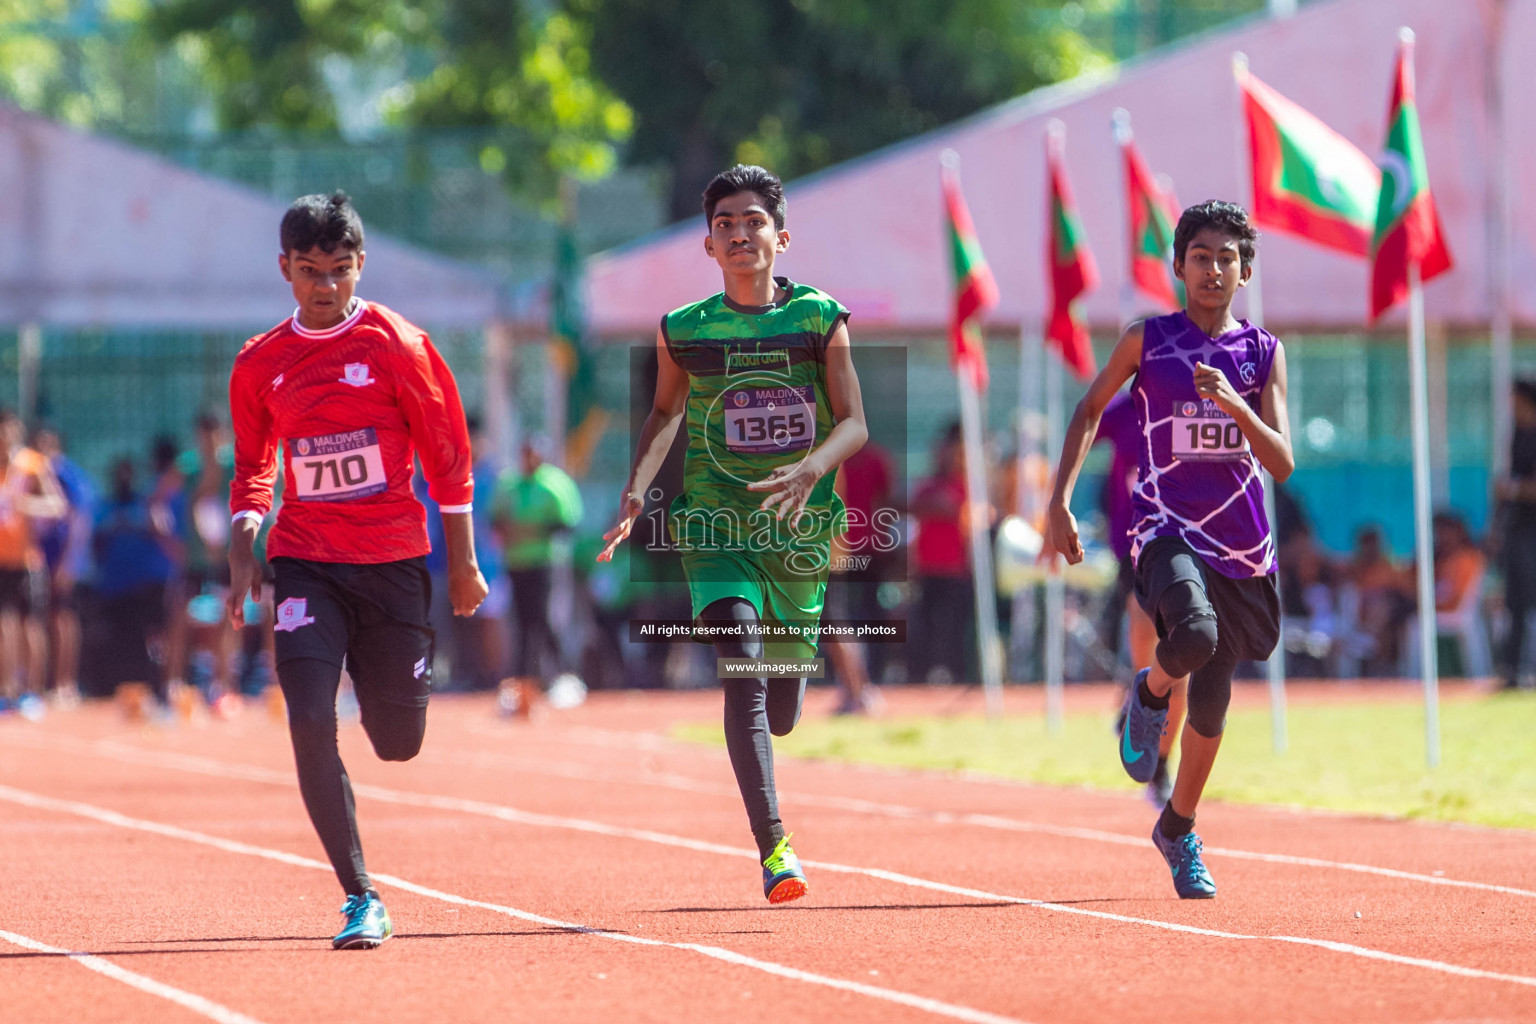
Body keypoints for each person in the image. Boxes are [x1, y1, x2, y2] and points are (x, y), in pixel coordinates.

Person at [598, 164, 867, 903]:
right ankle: (775, 846)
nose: (740, 234)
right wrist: (635, 494)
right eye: (725, 225)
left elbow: (855, 422)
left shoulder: (819, 319)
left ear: (780, 236)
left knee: (780, 702)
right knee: (740, 665)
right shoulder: (685, 331)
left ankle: (795, 680)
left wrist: (810, 470)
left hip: (798, 530)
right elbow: (663, 414)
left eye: (753, 221)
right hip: (715, 523)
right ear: (709, 245)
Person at [227, 192, 487, 950]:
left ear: (360, 265)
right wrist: (247, 535)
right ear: (285, 269)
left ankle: (395, 702)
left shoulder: (397, 345)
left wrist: (464, 565)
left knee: (397, 741)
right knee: (309, 716)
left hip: (393, 564)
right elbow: (254, 468)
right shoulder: (260, 363)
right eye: (309, 271)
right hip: (306, 562)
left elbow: (449, 457)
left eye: (339, 271)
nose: (325, 287)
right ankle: (360, 896)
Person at [1048, 200, 1291, 899]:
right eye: (1201, 256)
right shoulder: (1147, 340)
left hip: (1243, 550)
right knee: (1192, 634)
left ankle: (1178, 829)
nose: (1213, 269)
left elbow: (1282, 461)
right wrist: (1059, 498)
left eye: (1227, 258)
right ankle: (1149, 693)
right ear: (1179, 265)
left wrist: (1238, 407)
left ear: (1245, 270)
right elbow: (1089, 409)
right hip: (1165, 530)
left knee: (1212, 712)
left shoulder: (1263, 353)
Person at [1095, 392, 1182, 805]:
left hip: (1188, 540)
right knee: (1143, 624)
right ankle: (1140, 694)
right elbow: (1082, 427)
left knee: (1183, 659)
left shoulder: (1189, 398)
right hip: (1133, 540)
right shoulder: (1122, 409)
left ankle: (1162, 765)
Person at [491, 436, 582, 716]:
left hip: (545, 563)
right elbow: (494, 519)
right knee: (521, 623)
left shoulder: (554, 484)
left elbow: (567, 523)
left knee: (544, 620)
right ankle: (521, 684)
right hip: (516, 563)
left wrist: (531, 529)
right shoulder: (508, 485)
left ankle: (562, 677)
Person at [909, 423, 978, 684]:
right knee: (925, 626)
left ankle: (956, 674)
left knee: (953, 628)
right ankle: (923, 677)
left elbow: (947, 508)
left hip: (955, 568)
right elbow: (917, 510)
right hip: (928, 567)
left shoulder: (965, 484)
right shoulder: (928, 485)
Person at [32, 427, 92, 708]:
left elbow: (80, 519)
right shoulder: (34, 473)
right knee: (42, 620)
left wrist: (69, 561)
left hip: (63, 560)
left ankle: (65, 683)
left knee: (63, 618)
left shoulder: (67, 473)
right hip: (38, 559)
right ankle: (42, 684)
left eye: (47, 442)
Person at [1493, 379, 1536, 689]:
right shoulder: (1517, 435)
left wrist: (1514, 489)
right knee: (1516, 602)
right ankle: (1510, 669)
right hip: (1517, 530)